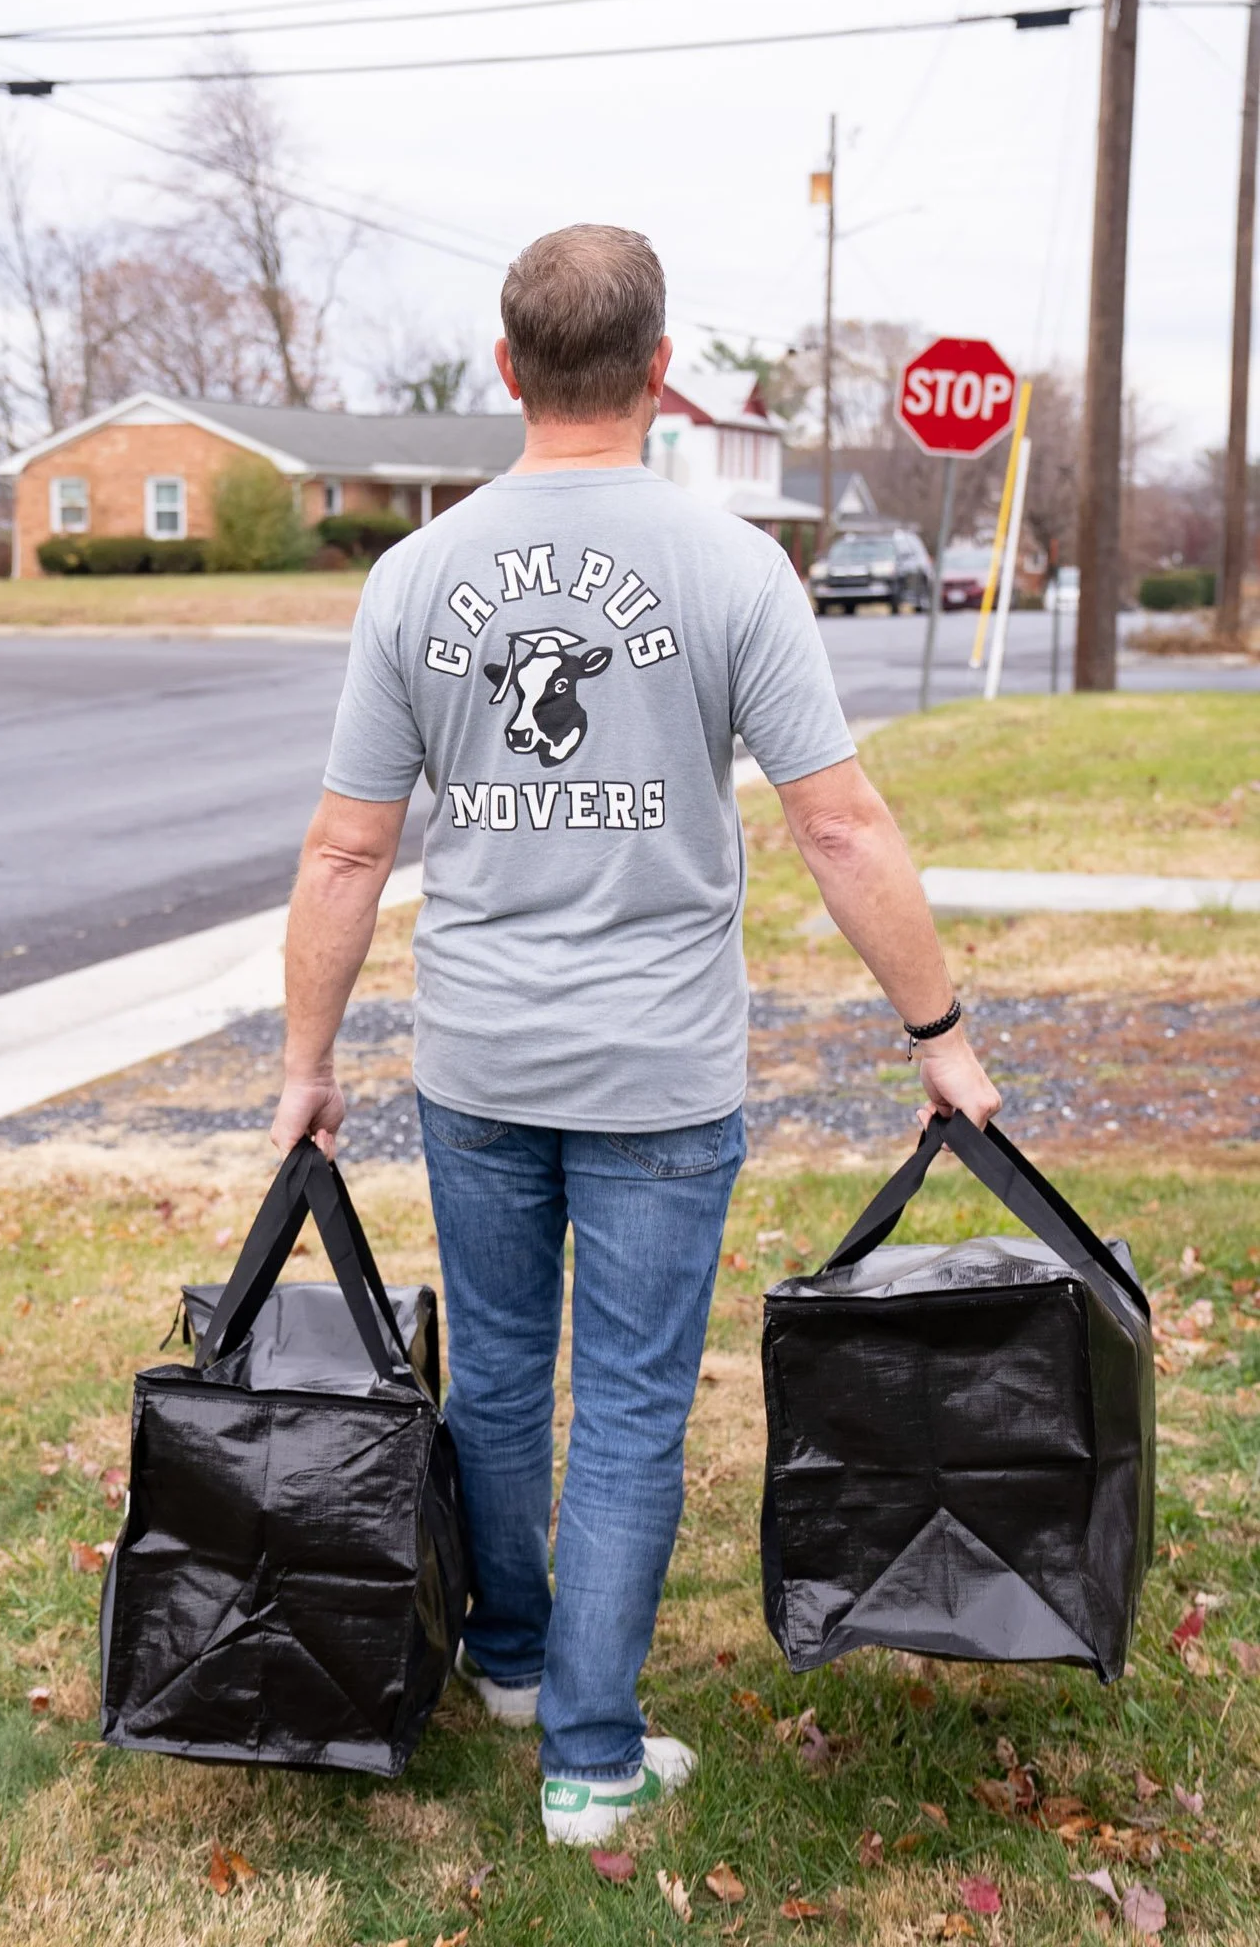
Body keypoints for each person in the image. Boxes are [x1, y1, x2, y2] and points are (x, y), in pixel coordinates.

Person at [271, 223, 1001, 1846]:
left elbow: (343, 851)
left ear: (511, 369)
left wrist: (305, 1066)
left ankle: (523, 1665)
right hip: (662, 1071)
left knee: (508, 1384)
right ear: (662, 375)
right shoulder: (734, 566)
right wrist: (936, 1031)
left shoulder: (416, 576)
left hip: (476, 1065)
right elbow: (842, 827)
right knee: (625, 1409)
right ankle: (586, 1756)